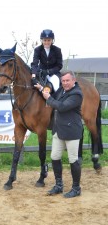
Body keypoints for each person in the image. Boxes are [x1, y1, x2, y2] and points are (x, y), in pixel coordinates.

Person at [34, 70, 83, 198]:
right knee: (55, 157)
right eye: (63, 81)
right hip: (59, 130)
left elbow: (61, 106)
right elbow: (52, 97)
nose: (65, 83)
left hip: (72, 131)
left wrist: (48, 98)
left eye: (67, 81)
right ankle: (59, 185)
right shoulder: (62, 90)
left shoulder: (77, 94)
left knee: (73, 160)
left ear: (73, 80)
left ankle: (76, 188)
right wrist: (41, 89)